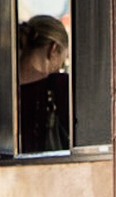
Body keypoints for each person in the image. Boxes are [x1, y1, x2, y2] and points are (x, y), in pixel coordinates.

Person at [17, 14, 71, 154]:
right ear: (53, 49)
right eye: (62, 60)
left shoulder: (0, 88)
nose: (59, 67)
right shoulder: (62, 85)